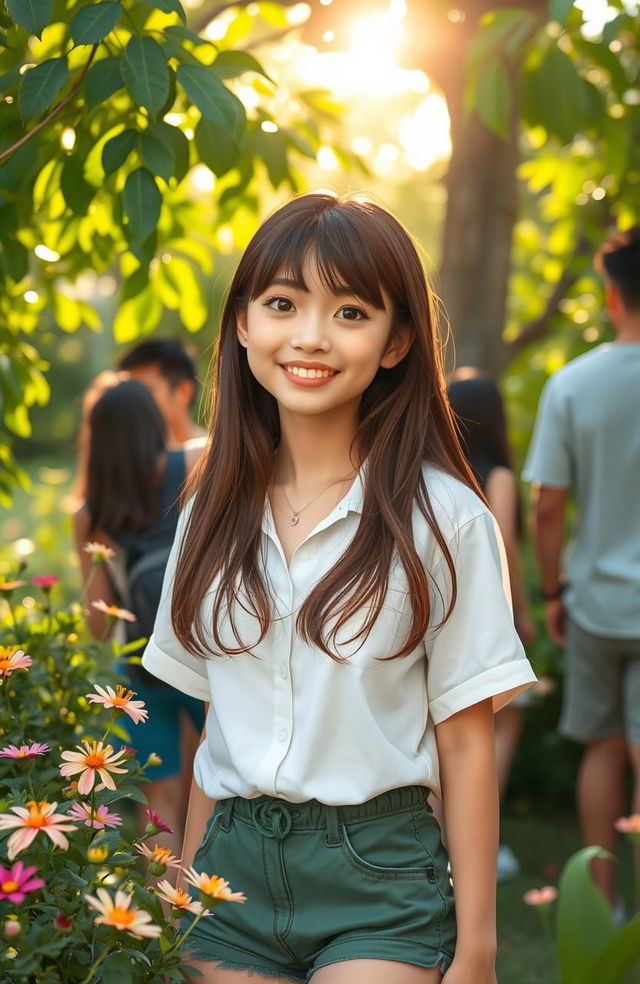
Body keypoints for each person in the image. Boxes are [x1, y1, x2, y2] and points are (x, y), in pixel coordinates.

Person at [143, 192, 536, 984]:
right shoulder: (207, 513)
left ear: (396, 343)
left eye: (351, 311)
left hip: (379, 877)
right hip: (230, 875)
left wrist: (480, 950)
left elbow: (466, 742)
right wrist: (181, 905)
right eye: (283, 303)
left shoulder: (446, 520)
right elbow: (212, 727)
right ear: (245, 323)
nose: (311, 337)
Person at [523, 226, 640, 908]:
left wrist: (552, 591)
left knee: (601, 746)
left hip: (594, 597)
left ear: (610, 294)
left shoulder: (573, 384)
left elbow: (547, 506)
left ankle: (602, 901)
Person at [73, 378, 206, 859]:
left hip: (143, 670)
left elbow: (101, 626)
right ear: (153, 422)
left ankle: (170, 924)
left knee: (163, 806)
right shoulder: (195, 461)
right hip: (204, 656)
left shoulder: (91, 514)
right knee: (220, 792)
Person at [447, 369, 536, 882]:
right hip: (489, 613)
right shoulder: (497, 476)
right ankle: (484, 841)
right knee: (501, 724)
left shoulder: (438, 470)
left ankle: (443, 837)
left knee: (450, 730)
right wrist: (522, 612)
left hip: (443, 608)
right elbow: (505, 547)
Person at [116, 337, 206, 447]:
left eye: (144, 391)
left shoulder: (219, 458)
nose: (132, 401)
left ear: (183, 392)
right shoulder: (123, 457)